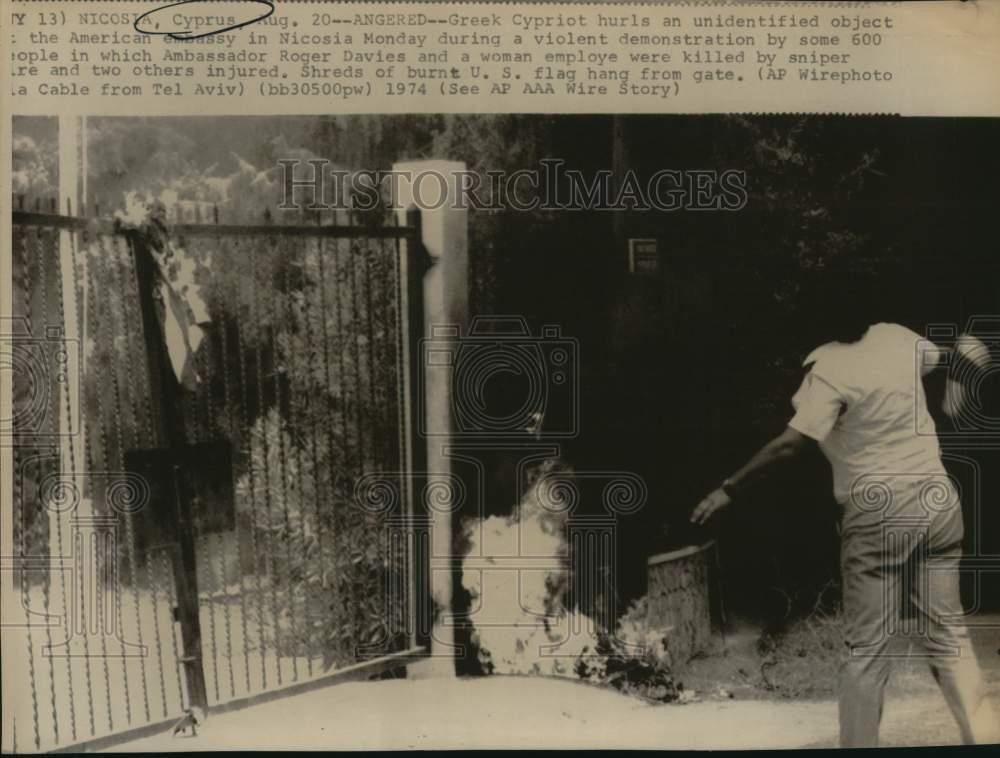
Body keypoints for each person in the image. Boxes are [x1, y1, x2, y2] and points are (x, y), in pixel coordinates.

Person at [690, 310, 995, 747]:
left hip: (879, 509)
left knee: (867, 651)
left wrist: (729, 489)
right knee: (949, 636)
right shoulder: (896, 337)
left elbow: (791, 444)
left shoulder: (829, 368)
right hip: (937, 500)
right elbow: (962, 356)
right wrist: (956, 402)